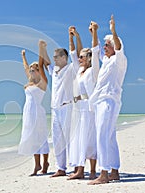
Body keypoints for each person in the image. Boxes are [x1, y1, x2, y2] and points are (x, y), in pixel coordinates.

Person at [88, 15, 128, 185]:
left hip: (109, 101)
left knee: (102, 135)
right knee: (109, 136)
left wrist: (113, 31)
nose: (105, 47)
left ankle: (103, 173)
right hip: (101, 101)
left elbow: (118, 47)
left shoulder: (119, 60)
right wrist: (94, 33)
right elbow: (95, 49)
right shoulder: (106, 61)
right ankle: (114, 171)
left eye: (107, 44)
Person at [42, 28, 81, 178]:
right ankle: (60, 168)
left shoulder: (71, 68)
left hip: (67, 107)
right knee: (57, 139)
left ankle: (77, 166)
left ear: (64, 57)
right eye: (53, 57)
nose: (54, 60)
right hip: (55, 109)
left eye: (56, 57)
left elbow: (75, 54)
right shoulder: (55, 70)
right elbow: (46, 64)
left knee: (70, 138)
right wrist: (43, 49)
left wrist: (72, 38)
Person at [68, 25, 99, 180]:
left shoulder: (93, 71)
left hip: (89, 108)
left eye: (82, 57)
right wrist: (73, 37)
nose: (79, 59)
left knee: (90, 137)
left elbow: (94, 50)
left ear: (88, 58)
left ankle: (93, 170)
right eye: (80, 57)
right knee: (79, 138)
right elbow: (74, 53)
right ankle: (80, 170)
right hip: (78, 108)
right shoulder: (79, 70)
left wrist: (94, 33)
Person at [18, 40, 50, 176]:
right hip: (28, 113)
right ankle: (37, 165)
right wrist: (23, 56)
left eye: (33, 70)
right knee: (32, 137)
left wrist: (40, 49)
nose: (31, 72)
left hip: (38, 112)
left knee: (41, 136)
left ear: (38, 71)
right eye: (30, 71)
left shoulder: (42, 83)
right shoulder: (30, 82)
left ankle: (45, 162)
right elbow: (25, 67)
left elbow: (41, 66)